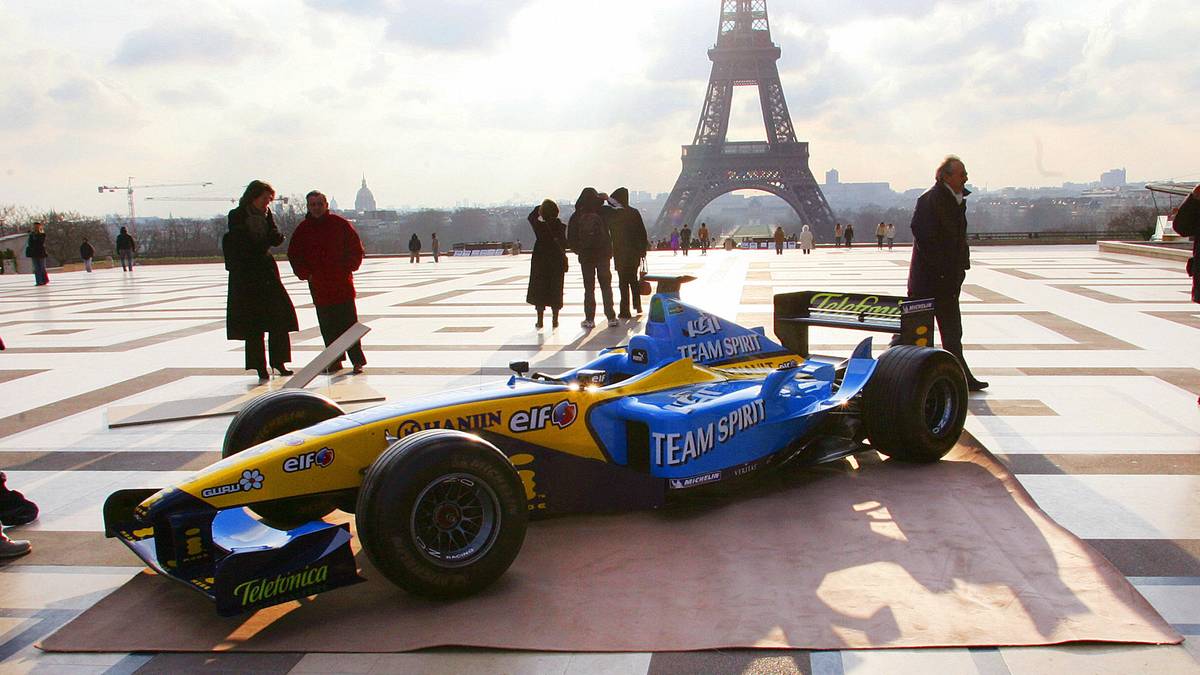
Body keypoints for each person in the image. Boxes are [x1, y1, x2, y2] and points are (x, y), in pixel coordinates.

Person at [908, 155, 987, 391]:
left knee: (950, 332)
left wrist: (959, 268)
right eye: (961, 174)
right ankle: (915, 377)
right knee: (919, 333)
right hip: (932, 279)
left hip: (944, 278)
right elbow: (925, 237)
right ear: (945, 176)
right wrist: (944, 269)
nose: (966, 177)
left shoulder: (953, 199)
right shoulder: (932, 199)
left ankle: (958, 375)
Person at [223, 180, 299, 382]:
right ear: (254, 197)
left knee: (278, 318)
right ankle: (259, 366)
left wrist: (273, 237)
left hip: (265, 271)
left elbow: (271, 235)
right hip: (247, 275)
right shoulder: (237, 215)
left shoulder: (267, 214)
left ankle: (279, 361)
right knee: (254, 323)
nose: (268, 203)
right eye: (265, 198)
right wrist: (268, 239)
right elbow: (245, 244)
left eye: (269, 199)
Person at [288, 190, 367, 375]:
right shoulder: (303, 229)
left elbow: (356, 248)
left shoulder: (340, 225)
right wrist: (306, 274)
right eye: (312, 205)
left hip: (341, 283)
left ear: (326, 205)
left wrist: (349, 267)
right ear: (308, 207)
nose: (316, 208)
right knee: (327, 324)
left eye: (319, 204)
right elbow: (294, 255)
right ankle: (334, 360)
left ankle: (357, 360)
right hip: (320, 285)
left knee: (349, 323)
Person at [567, 187, 617, 328]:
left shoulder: (577, 215)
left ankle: (589, 318)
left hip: (586, 256)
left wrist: (579, 250)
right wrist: (608, 199)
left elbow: (570, 238)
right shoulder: (603, 212)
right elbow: (621, 210)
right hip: (603, 255)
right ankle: (611, 316)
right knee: (606, 287)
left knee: (589, 289)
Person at [603, 187, 649, 319]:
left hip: (621, 252)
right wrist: (642, 250)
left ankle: (625, 310)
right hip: (634, 252)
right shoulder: (634, 212)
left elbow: (610, 206)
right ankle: (637, 305)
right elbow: (642, 232)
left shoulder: (614, 214)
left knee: (623, 283)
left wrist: (607, 198)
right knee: (633, 280)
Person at [526, 199, 568, 328]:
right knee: (556, 289)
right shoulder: (561, 227)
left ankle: (540, 320)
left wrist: (540, 208)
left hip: (541, 262)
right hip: (557, 261)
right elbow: (565, 244)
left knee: (540, 290)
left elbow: (531, 217)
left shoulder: (540, 227)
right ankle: (555, 320)